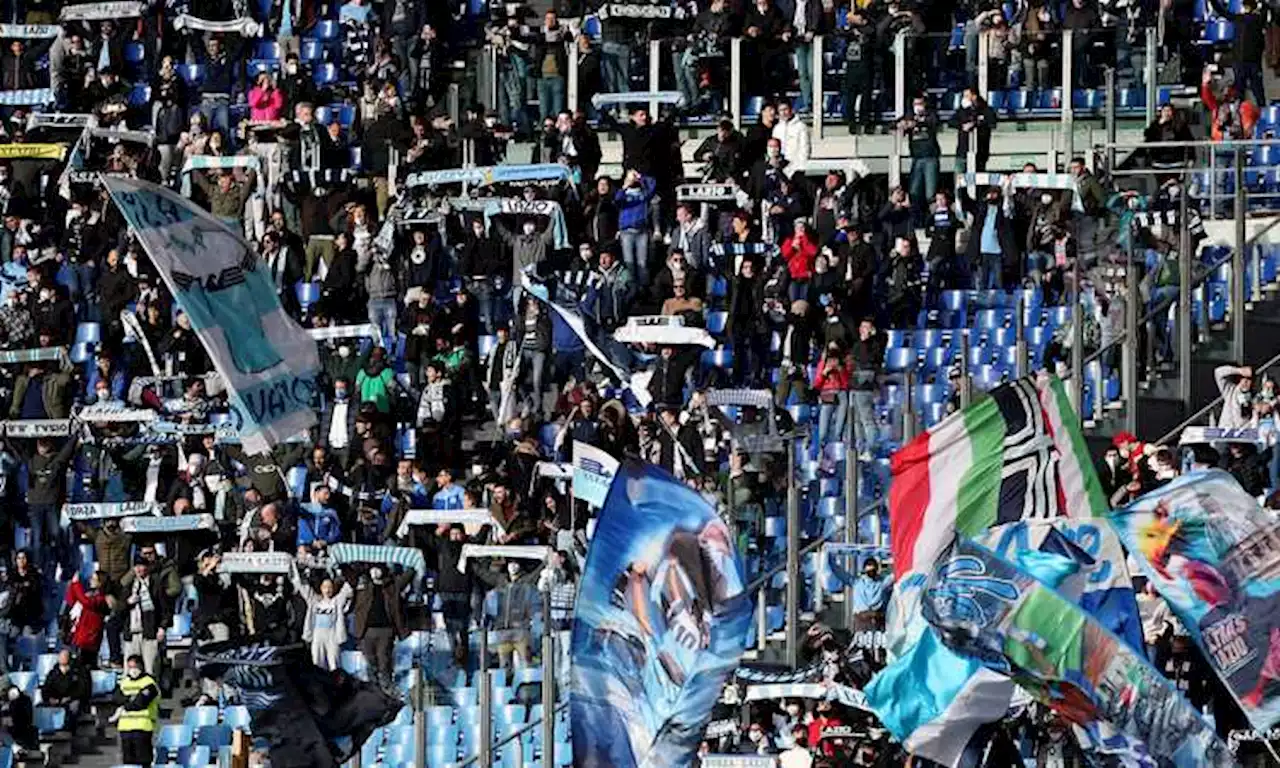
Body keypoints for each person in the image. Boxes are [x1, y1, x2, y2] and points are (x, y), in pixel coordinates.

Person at [113, 654, 160, 768]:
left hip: (142, 727)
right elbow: (116, 698)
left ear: (141, 666)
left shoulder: (149, 683)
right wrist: (131, 699)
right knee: (128, 762)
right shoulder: (124, 682)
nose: (132, 670)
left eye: (135, 666)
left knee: (143, 761)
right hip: (125, 728)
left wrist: (126, 701)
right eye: (130, 667)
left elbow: (140, 703)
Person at [41, 649, 89, 727]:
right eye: (61, 656)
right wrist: (49, 698)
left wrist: (69, 697)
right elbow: (46, 688)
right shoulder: (53, 673)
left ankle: (70, 727)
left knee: (74, 706)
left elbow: (81, 689)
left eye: (65, 656)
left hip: (71, 699)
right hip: (55, 699)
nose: (62, 658)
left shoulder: (77, 672)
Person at [851, 557, 891, 630]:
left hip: (876, 619)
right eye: (869, 571)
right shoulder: (857, 583)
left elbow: (894, 575)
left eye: (873, 570)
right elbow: (839, 572)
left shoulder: (882, 583)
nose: (871, 573)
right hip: (863, 619)